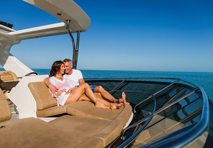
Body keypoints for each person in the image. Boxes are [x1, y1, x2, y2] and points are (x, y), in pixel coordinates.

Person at [44, 59, 127, 105]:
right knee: (95, 95)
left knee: (99, 89)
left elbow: (82, 82)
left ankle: (115, 101)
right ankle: (112, 103)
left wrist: (80, 88)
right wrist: (51, 85)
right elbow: (48, 79)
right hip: (73, 92)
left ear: (71, 66)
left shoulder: (76, 72)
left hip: (79, 88)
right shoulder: (61, 76)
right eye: (63, 67)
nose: (65, 68)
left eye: (66, 66)